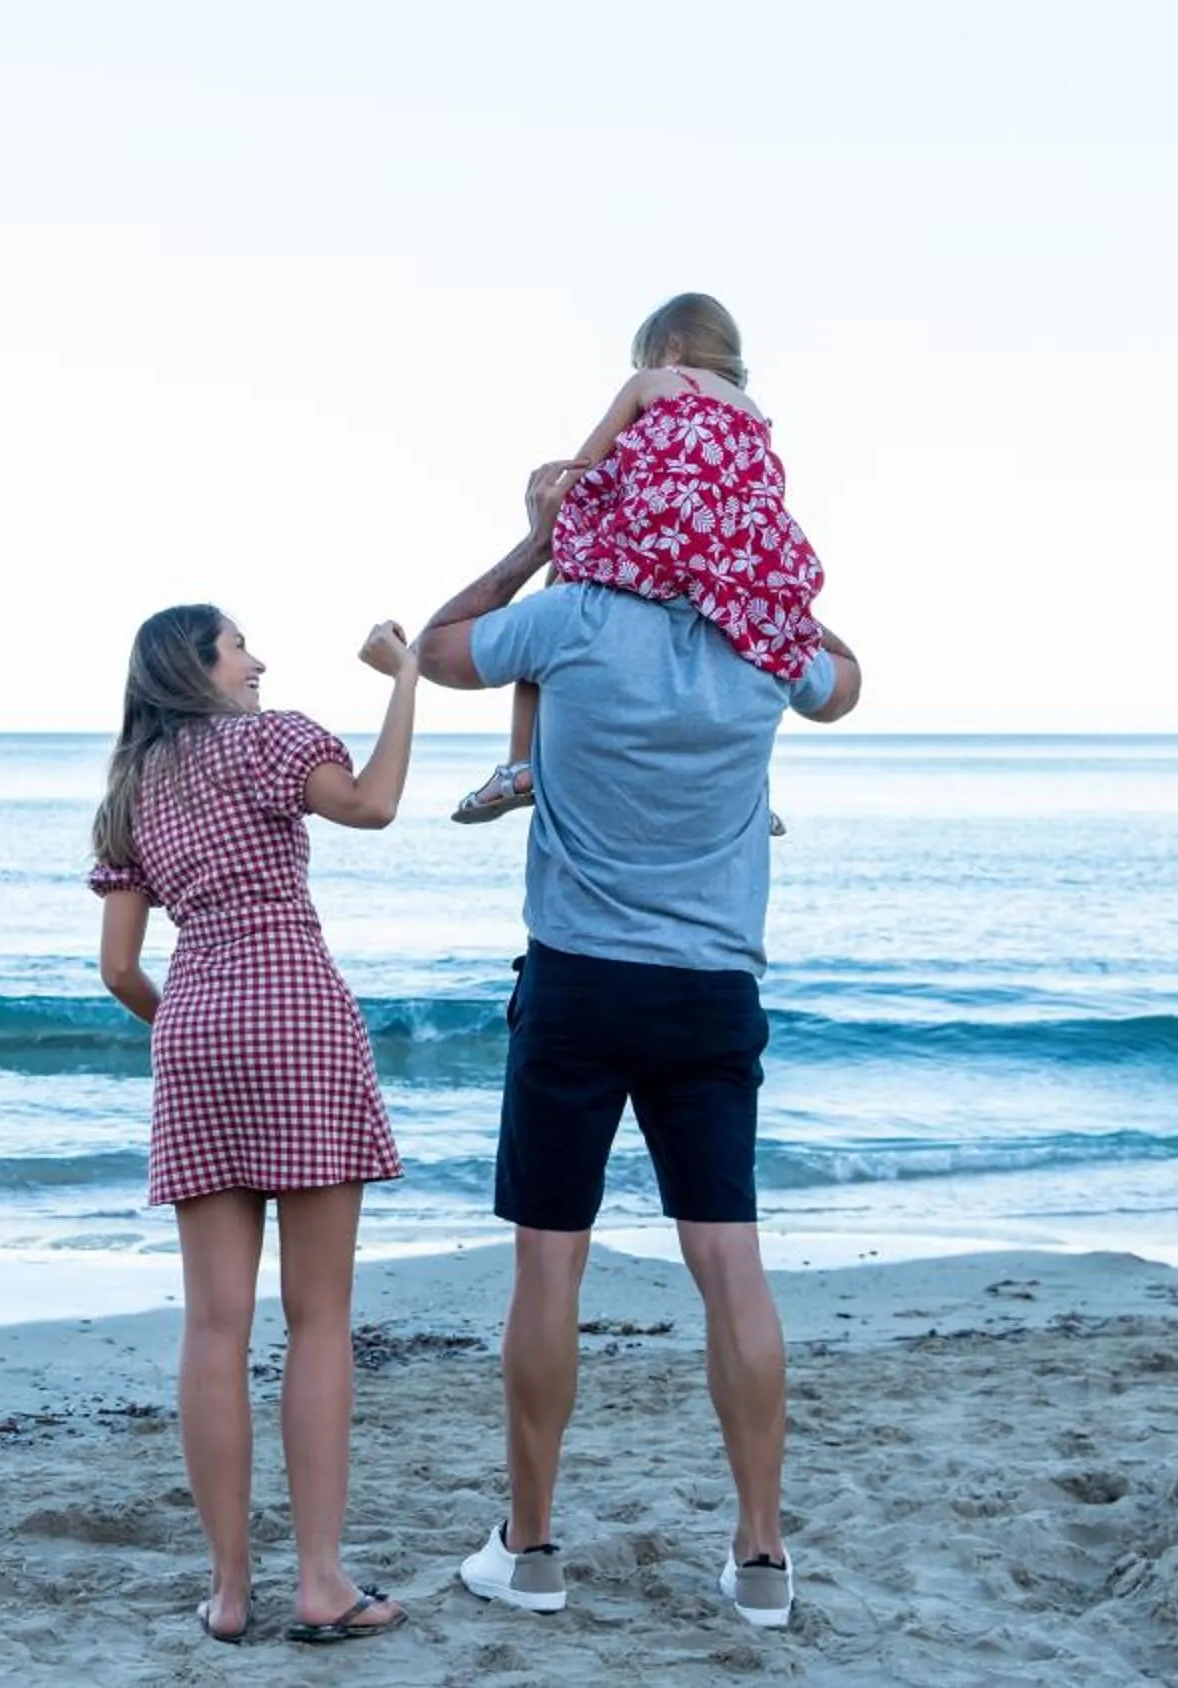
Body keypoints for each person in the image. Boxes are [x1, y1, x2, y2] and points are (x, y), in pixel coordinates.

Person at [414, 459, 862, 1629]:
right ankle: (762, 1557)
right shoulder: (761, 635)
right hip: (710, 990)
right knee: (732, 1264)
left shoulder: (574, 614)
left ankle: (534, 1547)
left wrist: (535, 537)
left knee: (549, 1265)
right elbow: (845, 684)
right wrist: (761, 562)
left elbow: (441, 644)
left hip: (578, 981)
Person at [88, 605, 419, 1646]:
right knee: (318, 1317)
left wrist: (193, 1024)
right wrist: (405, 679)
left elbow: (117, 969)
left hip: (193, 1025)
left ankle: (229, 1592)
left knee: (214, 1324)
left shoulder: (133, 788)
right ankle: (320, 1580)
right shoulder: (271, 739)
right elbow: (371, 804)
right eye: (242, 646)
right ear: (200, 664)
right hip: (295, 1010)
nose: (260, 660)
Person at [454, 294, 823, 838]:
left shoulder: (655, 383)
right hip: (736, 555)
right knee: (754, 647)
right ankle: (754, 789)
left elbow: (584, 462)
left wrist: (553, 526)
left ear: (670, 347)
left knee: (558, 592)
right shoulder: (751, 413)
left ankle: (519, 764)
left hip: (657, 537)